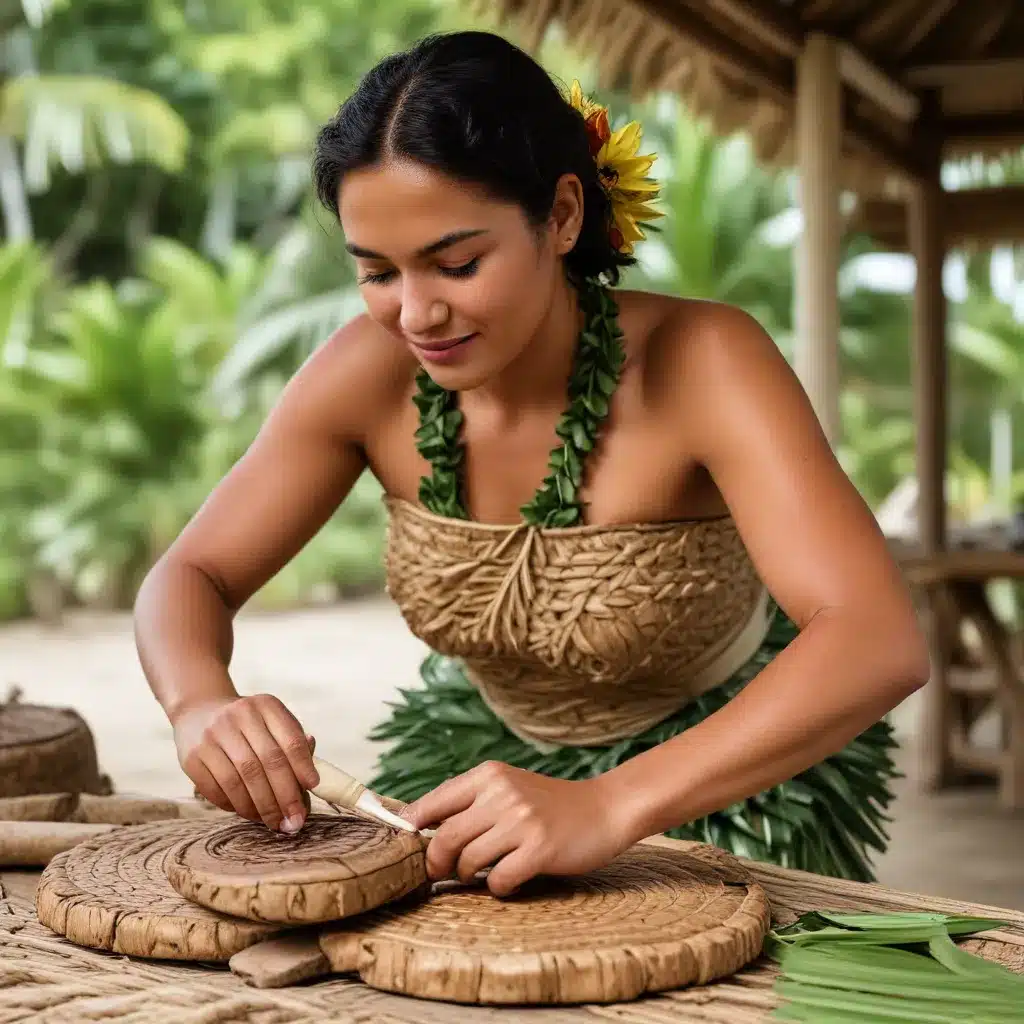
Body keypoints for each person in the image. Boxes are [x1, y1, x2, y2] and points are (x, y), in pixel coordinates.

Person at [133, 30, 929, 895]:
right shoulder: (367, 370)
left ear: (561, 216)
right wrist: (199, 703)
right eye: (378, 273)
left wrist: (607, 804)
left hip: (728, 777)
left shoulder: (702, 360)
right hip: (482, 772)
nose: (417, 313)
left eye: (457, 262)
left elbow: (874, 639)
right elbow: (194, 572)